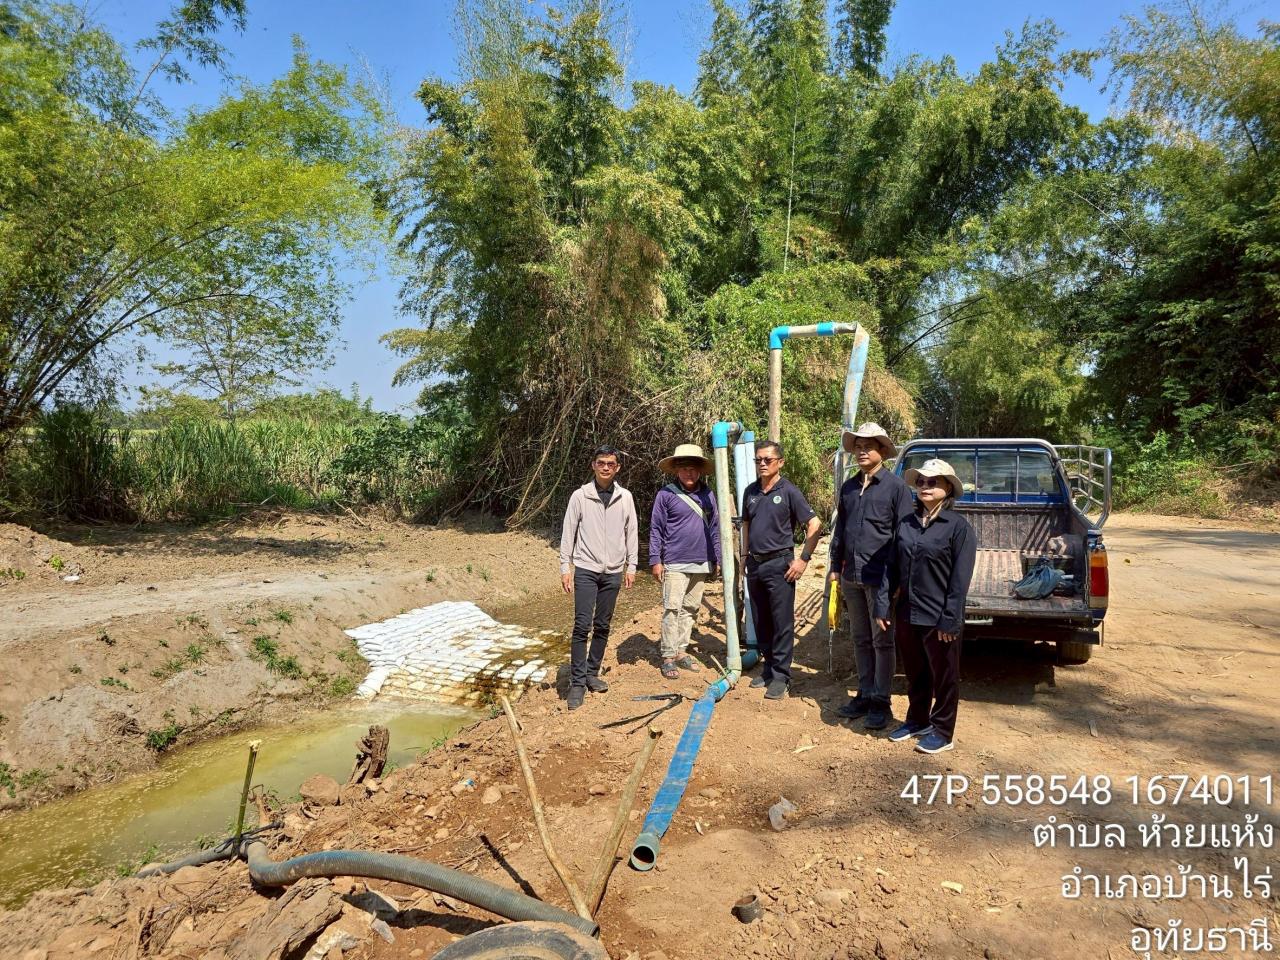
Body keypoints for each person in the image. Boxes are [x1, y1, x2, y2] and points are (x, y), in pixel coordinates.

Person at [828, 423, 914, 731]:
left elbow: (903, 537)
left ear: (882, 451)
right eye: (858, 446)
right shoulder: (850, 487)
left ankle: (881, 701)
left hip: (881, 578)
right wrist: (835, 565)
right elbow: (842, 529)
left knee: (882, 642)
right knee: (860, 638)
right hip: (851, 573)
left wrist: (898, 580)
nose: (862, 450)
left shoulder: (896, 488)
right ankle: (864, 694)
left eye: (869, 446)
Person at [888, 458, 976, 754]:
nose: (925, 486)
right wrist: (882, 606)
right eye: (921, 482)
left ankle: (943, 730)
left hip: (939, 616)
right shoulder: (907, 523)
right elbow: (894, 568)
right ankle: (917, 720)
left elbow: (960, 579)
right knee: (916, 672)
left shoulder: (958, 527)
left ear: (948, 488)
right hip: (907, 613)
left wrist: (951, 619)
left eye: (933, 482)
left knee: (945, 675)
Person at [559, 446, 638, 710]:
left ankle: (592, 672)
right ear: (593, 465)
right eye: (601, 463)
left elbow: (632, 532)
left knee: (603, 624)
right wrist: (564, 567)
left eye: (611, 464)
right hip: (585, 569)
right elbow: (568, 532)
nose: (606, 467)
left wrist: (632, 566)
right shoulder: (580, 496)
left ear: (617, 468)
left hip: (613, 570)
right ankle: (578, 682)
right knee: (582, 625)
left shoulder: (625, 497)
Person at [741, 440, 821, 700]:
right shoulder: (750, 492)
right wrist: (743, 556)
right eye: (758, 460)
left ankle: (781, 676)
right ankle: (767, 669)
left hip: (780, 565)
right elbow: (746, 525)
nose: (762, 464)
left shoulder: (789, 491)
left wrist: (803, 559)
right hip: (755, 564)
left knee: (781, 622)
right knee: (761, 619)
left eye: (768, 460)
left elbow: (814, 525)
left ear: (780, 462)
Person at [649, 444, 721, 680]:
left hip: (700, 561)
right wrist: (655, 560)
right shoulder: (666, 495)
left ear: (700, 471)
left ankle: (682, 651)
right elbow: (656, 529)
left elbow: (715, 529)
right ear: (677, 470)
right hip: (675, 561)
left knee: (690, 609)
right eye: (685, 469)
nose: (689, 474)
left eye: (693, 469)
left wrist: (717, 558)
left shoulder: (708, 495)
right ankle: (668, 656)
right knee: (672, 608)